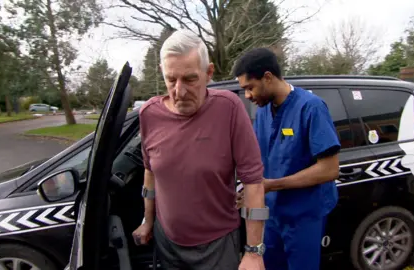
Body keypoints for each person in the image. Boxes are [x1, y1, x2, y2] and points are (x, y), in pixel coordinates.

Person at [132, 29, 268, 270]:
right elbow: (150, 172)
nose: (179, 92)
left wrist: (253, 252)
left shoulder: (229, 109)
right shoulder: (149, 114)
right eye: (171, 79)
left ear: (209, 73)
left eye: (190, 79)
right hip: (168, 243)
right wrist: (147, 221)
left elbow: (253, 183)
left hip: (217, 247)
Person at [233, 48, 341, 270]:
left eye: (249, 88)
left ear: (268, 77)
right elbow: (257, 158)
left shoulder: (310, 108)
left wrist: (272, 185)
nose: (248, 96)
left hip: (304, 217)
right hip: (272, 215)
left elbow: (329, 169)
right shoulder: (263, 111)